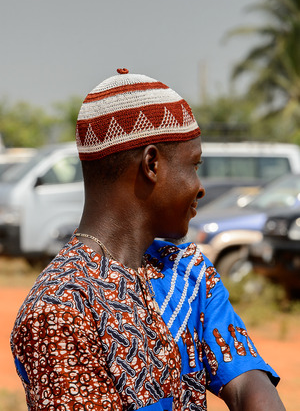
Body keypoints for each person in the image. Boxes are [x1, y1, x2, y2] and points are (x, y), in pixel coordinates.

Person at [11, 68, 285, 410]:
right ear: (152, 164)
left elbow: (248, 387)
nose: (199, 187)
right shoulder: (60, 308)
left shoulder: (188, 271)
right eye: (194, 165)